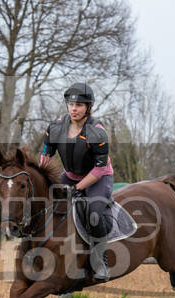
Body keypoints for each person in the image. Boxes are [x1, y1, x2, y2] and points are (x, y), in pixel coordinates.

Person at [39, 82, 113, 281]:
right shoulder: (56, 126)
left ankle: (101, 263)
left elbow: (99, 168)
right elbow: (46, 156)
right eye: (71, 104)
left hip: (98, 178)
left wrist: (77, 188)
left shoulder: (97, 131)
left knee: (95, 214)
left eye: (79, 105)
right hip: (70, 175)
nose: (74, 108)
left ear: (88, 107)